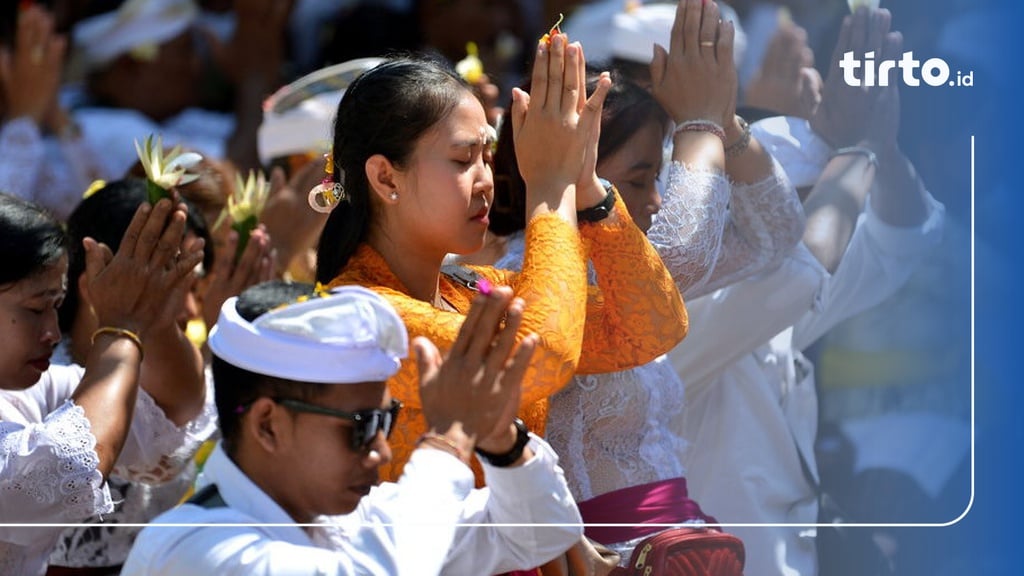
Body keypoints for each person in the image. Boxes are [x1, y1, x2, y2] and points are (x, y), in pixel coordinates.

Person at [485, 0, 803, 566]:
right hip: (598, 558)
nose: (656, 201)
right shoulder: (522, 274)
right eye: (639, 179)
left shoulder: (622, 265)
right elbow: (682, 250)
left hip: (670, 545)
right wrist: (700, 120)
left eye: (659, 177)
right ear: (579, 168)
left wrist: (725, 124)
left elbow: (773, 235)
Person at [315, 43, 688, 484]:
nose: (487, 180)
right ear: (385, 177)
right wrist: (551, 189)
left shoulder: (472, 289)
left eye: (487, 158)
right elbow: (545, 353)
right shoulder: (361, 315)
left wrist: (586, 187)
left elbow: (652, 327)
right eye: (462, 159)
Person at [664, 9, 945, 576]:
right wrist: (859, 144)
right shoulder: (661, 322)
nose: (787, 215)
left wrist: (880, 151)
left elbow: (904, 239)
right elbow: (800, 268)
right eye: (777, 196)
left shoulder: (762, 298)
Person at [121, 280, 584, 575]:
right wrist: (448, 439)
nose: (382, 452)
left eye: (386, 421)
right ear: (268, 425)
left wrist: (499, 439)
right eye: (363, 426)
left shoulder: (356, 519)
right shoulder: (191, 546)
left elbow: (540, 533)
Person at [0, 192, 215, 576]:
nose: (51, 331)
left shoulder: (32, 387)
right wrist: (122, 327)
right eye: (35, 309)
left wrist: (157, 323)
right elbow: (68, 466)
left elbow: (173, 410)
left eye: (56, 306)